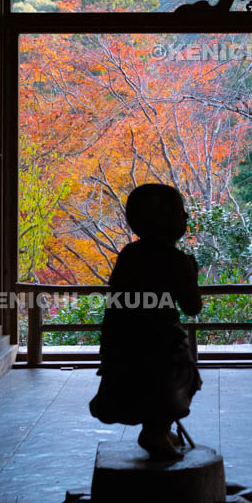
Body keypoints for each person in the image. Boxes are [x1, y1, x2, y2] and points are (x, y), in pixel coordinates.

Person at [89, 184, 202, 460]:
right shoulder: (174, 260)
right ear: (165, 221)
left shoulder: (130, 253)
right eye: (180, 213)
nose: (186, 218)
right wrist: (191, 273)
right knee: (179, 381)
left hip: (121, 337)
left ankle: (158, 430)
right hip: (160, 341)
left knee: (139, 383)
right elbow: (192, 307)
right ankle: (155, 431)